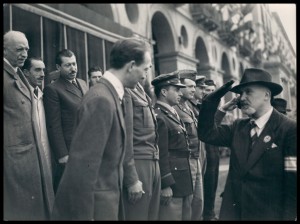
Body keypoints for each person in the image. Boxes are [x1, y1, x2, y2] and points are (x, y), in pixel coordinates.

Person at [51, 37, 152, 220]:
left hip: (105, 200)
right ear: (130, 66)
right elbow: (82, 168)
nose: (145, 76)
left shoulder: (110, 95)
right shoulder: (101, 99)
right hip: (96, 207)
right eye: (145, 69)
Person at [198, 68, 296, 220]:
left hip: (268, 214)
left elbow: (293, 184)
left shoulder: (288, 128)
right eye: (240, 93)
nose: (241, 98)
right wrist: (215, 102)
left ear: (267, 95)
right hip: (236, 214)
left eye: (248, 92)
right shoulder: (238, 127)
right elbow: (206, 133)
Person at [4, 30, 54, 220]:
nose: (24, 54)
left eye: (26, 49)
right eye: (19, 49)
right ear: (4, 49)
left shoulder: (18, 73)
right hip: (14, 162)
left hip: (29, 158)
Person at [43, 49, 88, 193]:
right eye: (68, 65)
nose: (73, 68)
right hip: (70, 150)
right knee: (72, 194)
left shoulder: (83, 83)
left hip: (88, 147)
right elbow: (53, 125)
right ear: (58, 67)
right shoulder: (53, 89)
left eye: (74, 64)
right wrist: (62, 154)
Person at [152, 71, 194, 220]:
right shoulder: (159, 117)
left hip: (182, 177)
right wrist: (165, 183)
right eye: (176, 90)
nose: (180, 93)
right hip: (173, 181)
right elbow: (161, 153)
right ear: (163, 92)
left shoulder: (172, 113)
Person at [123, 78, 161, 220]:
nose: (149, 67)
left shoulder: (141, 90)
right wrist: (131, 178)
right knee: (138, 214)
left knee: (152, 214)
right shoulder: (127, 91)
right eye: (145, 65)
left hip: (152, 159)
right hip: (139, 161)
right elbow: (126, 137)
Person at [173, 69, 204, 220]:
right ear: (180, 87)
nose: (194, 89)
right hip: (186, 160)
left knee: (198, 202)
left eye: (194, 86)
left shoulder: (188, 107)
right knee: (188, 203)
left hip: (195, 158)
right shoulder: (174, 108)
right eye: (190, 86)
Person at [23, 57, 53, 175]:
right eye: (37, 70)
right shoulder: (23, 96)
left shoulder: (43, 95)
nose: (42, 74)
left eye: (43, 70)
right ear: (26, 72)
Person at [202, 79, 221, 220]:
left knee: (213, 184)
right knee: (206, 186)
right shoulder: (202, 107)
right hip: (205, 153)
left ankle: (211, 213)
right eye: (207, 91)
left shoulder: (213, 107)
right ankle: (207, 215)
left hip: (214, 151)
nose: (210, 94)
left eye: (212, 91)